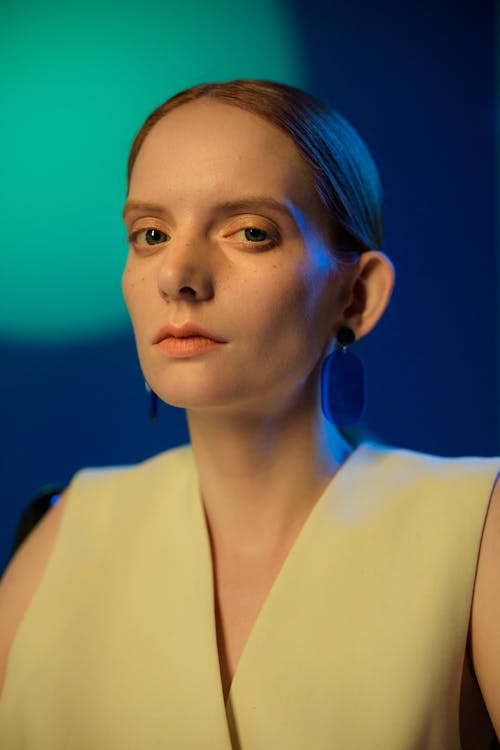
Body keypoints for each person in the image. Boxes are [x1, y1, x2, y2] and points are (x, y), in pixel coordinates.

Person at [0, 79, 498, 749]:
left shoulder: (474, 529)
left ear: (356, 298)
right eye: (150, 233)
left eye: (250, 233)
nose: (177, 275)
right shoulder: (63, 535)